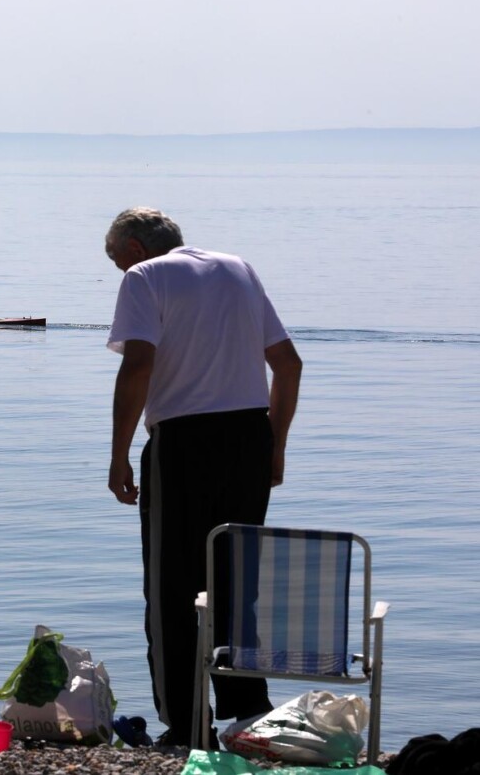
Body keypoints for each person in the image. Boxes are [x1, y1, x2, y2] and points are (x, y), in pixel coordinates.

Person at [104, 207, 302, 748]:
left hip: (184, 443)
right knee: (234, 585)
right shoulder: (238, 268)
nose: (118, 272)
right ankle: (247, 715)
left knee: (172, 588)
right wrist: (275, 448)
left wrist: (119, 455)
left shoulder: (146, 277)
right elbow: (289, 365)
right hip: (249, 439)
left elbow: (138, 367)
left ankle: (189, 724)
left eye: (116, 260)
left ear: (137, 247)